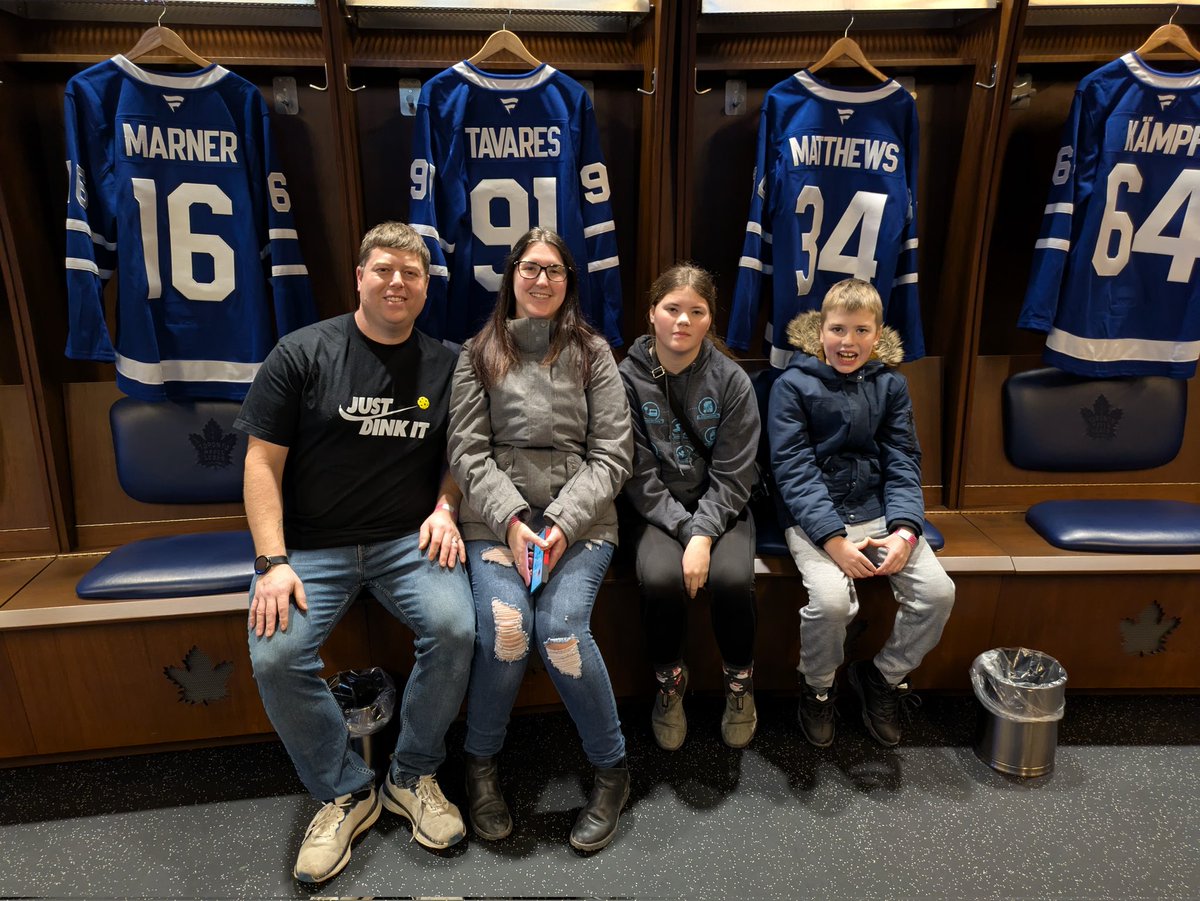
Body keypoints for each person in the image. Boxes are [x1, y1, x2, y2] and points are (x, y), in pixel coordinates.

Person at [235, 222, 476, 884]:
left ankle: (413, 774)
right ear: (360, 276)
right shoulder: (301, 353)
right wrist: (270, 561)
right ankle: (345, 790)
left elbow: (461, 456)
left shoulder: (449, 363)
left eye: (412, 272)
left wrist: (446, 506)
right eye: (384, 269)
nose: (397, 281)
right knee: (277, 652)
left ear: (427, 286)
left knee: (456, 626)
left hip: (408, 541)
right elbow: (261, 463)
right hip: (312, 545)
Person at [447, 227, 634, 852]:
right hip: (497, 520)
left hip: (580, 522)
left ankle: (611, 769)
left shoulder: (594, 353)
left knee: (559, 631)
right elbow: (467, 454)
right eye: (531, 268)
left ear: (568, 282)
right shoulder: (477, 352)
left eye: (554, 270)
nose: (542, 280)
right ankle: (480, 766)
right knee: (507, 628)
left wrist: (558, 525)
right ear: (512, 275)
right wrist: (512, 522)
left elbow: (612, 455)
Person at [768, 278, 955, 748]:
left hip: (876, 510)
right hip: (815, 518)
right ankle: (817, 689)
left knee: (937, 594)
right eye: (837, 330)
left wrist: (906, 532)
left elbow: (903, 460)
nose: (848, 342)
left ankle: (883, 677)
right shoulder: (792, 384)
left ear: (877, 335)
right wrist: (833, 540)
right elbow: (793, 470)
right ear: (820, 332)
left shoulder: (891, 385)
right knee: (832, 603)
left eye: (861, 331)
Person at [618, 263, 761, 751]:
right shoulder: (625, 378)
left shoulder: (732, 380)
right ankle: (669, 686)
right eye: (672, 309)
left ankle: (739, 685)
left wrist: (702, 534)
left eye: (695, 312)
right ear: (651, 314)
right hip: (657, 509)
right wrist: (684, 530)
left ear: (709, 321)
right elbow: (636, 474)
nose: (682, 320)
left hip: (722, 506)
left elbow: (735, 473)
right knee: (659, 578)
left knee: (731, 579)